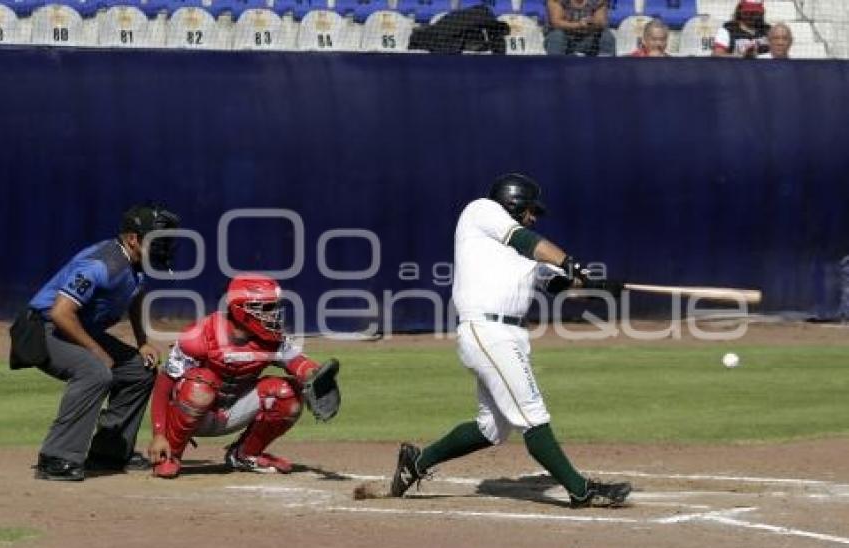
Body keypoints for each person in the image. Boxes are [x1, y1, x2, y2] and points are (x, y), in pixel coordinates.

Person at [390, 173, 632, 508]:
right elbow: (528, 241)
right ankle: (581, 490)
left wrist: (598, 287)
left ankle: (415, 463)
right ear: (513, 202)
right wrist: (569, 261)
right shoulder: (481, 212)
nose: (533, 217)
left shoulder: (520, 257)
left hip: (510, 335)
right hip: (487, 330)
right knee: (532, 413)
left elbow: (556, 283)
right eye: (531, 210)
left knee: (492, 428)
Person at [15, 205, 180, 481]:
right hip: (41, 329)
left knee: (140, 370)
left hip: (72, 328)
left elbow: (136, 296)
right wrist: (96, 351)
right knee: (95, 371)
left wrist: (143, 342)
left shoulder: (137, 262)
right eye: (157, 239)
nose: (163, 246)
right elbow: (60, 312)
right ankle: (56, 458)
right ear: (132, 238)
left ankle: (109, 453)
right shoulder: (101, 265)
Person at [147, 273, 338, 478]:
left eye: (274, 307)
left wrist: (316, 376)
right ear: (242, 310)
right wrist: (158, 434)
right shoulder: (200, 334)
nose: (273, 314)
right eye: (266, 308)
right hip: (193, 412)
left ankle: (246, 454)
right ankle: (170, 454)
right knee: (200, 385)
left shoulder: (273, 339)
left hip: (232, 411)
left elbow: (298, 363)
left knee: (287, 393)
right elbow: (164, 384)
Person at [545, 0, 616, 57]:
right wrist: (578, 25)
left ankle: (605, 63)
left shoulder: (599, 1)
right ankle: (556, 64)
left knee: (606, 35)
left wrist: (592, 22)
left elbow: (601, 21)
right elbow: (556, 23)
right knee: (556, 35)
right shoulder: (557, 1)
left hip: (590, 40)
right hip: (565, 40)